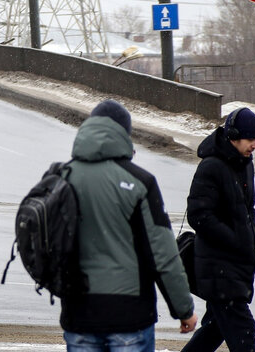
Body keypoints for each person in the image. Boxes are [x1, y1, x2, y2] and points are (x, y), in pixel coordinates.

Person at [60, 99, 197, 351]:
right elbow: (163, 255)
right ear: (124, 135)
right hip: (129, 315)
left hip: (78, 313)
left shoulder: (63, 177)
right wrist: (183, 309)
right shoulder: (140, 182)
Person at [181, 107, 255, 352]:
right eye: (250, 139)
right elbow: (199, 215)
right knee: (244, 333)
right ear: (234, 138)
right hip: (219, 268)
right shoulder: (212, 167)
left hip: (237, 265)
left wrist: (253, 239)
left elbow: (248, 209)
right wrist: (235, 239)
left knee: (215, 329)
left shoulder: (244, 163)